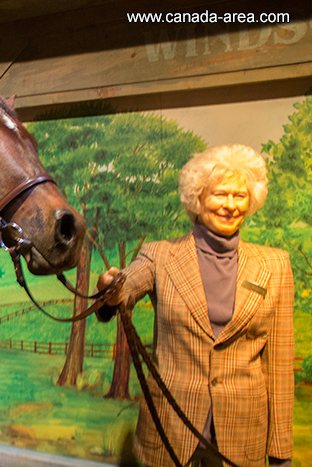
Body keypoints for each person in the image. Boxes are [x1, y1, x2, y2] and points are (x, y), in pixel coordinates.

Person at [96, 144, 293, 467]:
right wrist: (111, 287)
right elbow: (125, 287)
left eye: (239, 196)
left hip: (243, 433)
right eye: (219, 194)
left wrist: (281, 452)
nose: (230, 205)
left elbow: (280, 365)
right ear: (197, 198)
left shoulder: (275, 265)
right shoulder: (159, 255)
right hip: (170, 427)